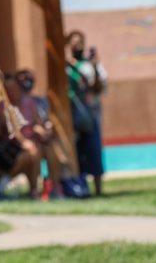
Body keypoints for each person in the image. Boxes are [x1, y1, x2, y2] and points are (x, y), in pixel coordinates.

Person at [67, 30, 106, 196]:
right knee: (77, 153)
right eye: (73, 43)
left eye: (80, 43)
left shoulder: (90, 66)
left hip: (90, 116)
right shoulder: (66, 67)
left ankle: (98, 189)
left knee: (94, 151)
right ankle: (81, 188)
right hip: (72, 116)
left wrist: (96, 66)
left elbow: (99, 88)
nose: (77, 46)